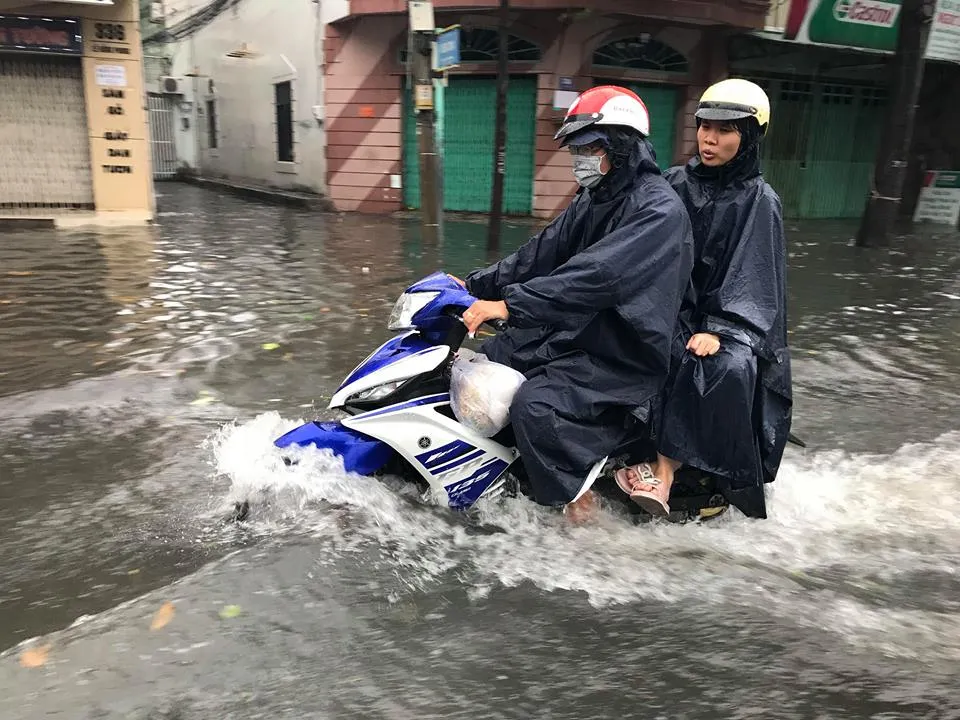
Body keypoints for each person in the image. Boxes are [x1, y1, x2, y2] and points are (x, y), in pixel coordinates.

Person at [456, 85, 694, 521]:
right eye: (577, 148)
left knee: (536, 406)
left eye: (590, 147)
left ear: (621, 146)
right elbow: (542, 251)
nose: (579, 157)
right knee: (486, 359)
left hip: (624, 349)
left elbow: (597, 276)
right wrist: (472, 286)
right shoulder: (595, 197)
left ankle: (577, 499)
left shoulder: (658, 211)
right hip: (579, 330)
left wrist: (509, 306)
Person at [615, 78, 793, 520]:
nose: (710, 139)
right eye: (705, 127)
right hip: (668, 304)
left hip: (730, 321)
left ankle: (665, 472)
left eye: (725, 130)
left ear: (749, 136)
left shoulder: (760, 200)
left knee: (718, 365)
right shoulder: (674, 180)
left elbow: (756, 280)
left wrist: (721, 329)